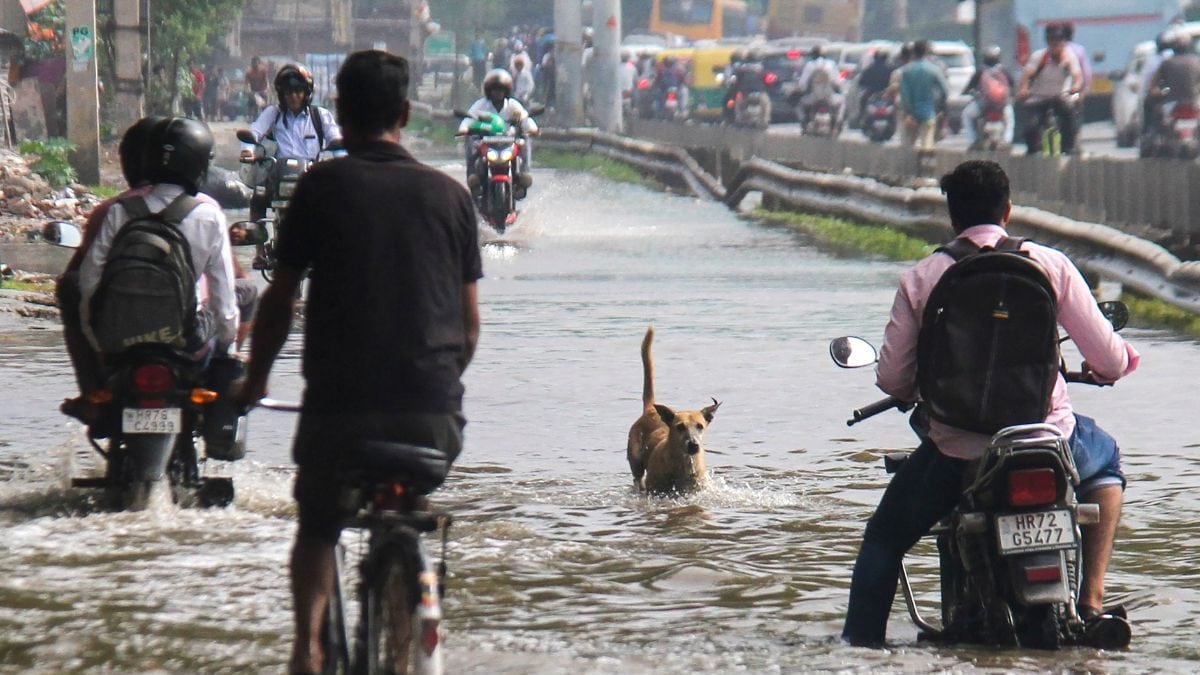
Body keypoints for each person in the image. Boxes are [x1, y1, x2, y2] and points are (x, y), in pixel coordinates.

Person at [235, 49, 481, 674]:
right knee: (409, 505)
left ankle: (306, 649)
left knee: (319, 521)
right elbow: (469, 326)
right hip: (432, 421)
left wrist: (253, 382)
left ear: (339, 114)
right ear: (405, 112)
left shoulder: (321, 186)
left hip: (339, 417)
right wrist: (438, 384)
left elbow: (279, 301)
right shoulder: (451, 197)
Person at [841, 159, 1139, 647]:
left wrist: (910, 390)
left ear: (952, 216)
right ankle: (1091, 602)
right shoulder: (1049, 264)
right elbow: (1107, 356)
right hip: (1047, 440)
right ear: (1007, 209)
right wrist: (1112, 367)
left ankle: (859, 650)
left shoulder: (921, 278)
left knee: (883, 540)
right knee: (1105, 462)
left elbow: (894, 377)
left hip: (959, 450)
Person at [78, 117, 239, 361]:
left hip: (119, 341)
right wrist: (227, 347)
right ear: (200, 165)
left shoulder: (119, 210)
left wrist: (96, 340)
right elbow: (223, 300)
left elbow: (89, 280)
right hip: (185, 340)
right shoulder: (209, 215)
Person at [246, 64, 342, 232]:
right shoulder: (273, 113)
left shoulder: (320, 116)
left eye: (298, 91)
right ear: (282, 94)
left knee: (337, 201)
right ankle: (259, 253)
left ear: (306, 93)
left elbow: (335, 138)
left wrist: (341, 154)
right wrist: (248, 149)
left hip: (312, 178)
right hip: (278, 176)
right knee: (258, 196)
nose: (293, 96)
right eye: (288, 92)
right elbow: (255, 130)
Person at [458, 68, 539, 199]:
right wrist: (464, 129)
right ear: (489, 91)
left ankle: (523, 173)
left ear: (506, 91)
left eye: (501, 90)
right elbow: (469, 119)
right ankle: (473, 176)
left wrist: (532, 129)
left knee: (526, 139)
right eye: (495, 90)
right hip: (486, 141)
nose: (498, 93)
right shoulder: (481, 105)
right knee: (470, 139)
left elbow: (525, 119)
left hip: (508, 142)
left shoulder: (513, 105)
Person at [1017, 22, 1083, 155]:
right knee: (1032, 126)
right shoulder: (1039, 57)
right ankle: (1032, 150)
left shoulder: (1069, 57)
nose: (1055, 45)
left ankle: (1068, 148)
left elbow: (1078, 76)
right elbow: (1026, 76)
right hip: (1039, 97)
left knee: (1070, 118)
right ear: (1047, 42)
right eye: (1052, 41)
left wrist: (1076, 86)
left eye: (1058, 41)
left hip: (1060, 96)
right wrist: (1024, 88)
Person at [961, 45, 1015, 149]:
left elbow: (969, 87)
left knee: (966, 115)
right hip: (1002, 106)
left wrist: (965, 93)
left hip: (983, 105)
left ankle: (973, 140)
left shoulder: (980, 71)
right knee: (1010, 120)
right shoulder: (1004, 70)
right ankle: (1007, 141)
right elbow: (1013, 86)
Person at [898, 39, 949, 149]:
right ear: (926, 52)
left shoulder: (906, 71)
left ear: (913, 53)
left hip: (911, 115)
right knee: (927, 144)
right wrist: (939, 108)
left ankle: (909, 165)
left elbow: (904, 95)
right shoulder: (934, 70)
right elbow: (945, 91)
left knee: (908, 146)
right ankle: (925, 163)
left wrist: (908, 113)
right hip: (928, 112)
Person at [1148, 31, 1200, 134]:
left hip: (1173, 103)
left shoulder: (1167, 63)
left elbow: (1153, 86)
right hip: (1193, 103)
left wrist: (1158, 92)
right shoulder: (1197, 62)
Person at [796, 45, 843, 130]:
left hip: (814, 98)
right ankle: (837, 121)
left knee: (799, 104)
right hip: (830, 98)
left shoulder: (809, 65)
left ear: (813, 55)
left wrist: (802, 90)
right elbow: (838, 82)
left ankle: (804, 123)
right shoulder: (831, 64)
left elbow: (802, 84)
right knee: (843, 102)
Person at [855, 48, 894, 124]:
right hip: (884, 94)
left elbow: (861, 82)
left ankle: (861, 116)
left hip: (873, 92)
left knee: (862, 100)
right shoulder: (890, 69)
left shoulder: (869, 69)